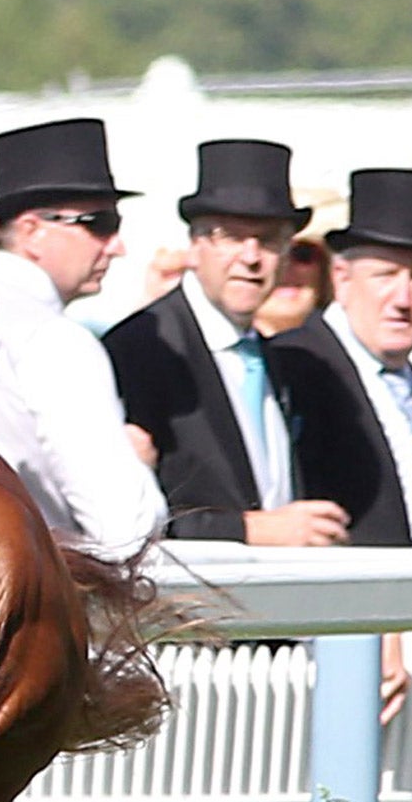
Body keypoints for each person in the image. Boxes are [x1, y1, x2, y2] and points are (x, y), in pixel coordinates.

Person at [271, 168, 412, 718]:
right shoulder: (289, 367)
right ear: (343, 276)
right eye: (386, 274)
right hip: (308, 667)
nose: (404, 298)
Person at [105, 140, 348, 546]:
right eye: (231, 238)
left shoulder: (273, 357)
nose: (251, 257)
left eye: (269, 240)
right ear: (195, 247)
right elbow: (113, 516)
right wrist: (253, 530)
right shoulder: (142, 349)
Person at [0, 118, 167, 556]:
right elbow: (126, 527)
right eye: (99, 223)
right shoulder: (55, 341)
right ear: (31, 231)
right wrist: (138, 468)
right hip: (34, 596)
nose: (117, 246)